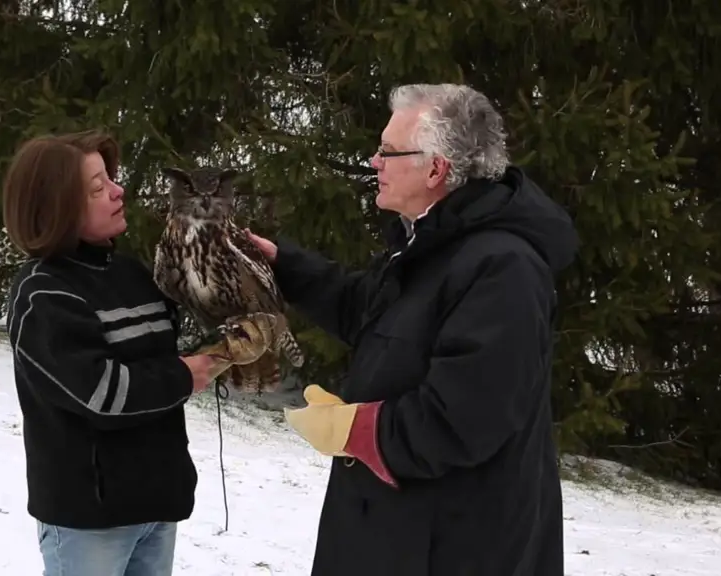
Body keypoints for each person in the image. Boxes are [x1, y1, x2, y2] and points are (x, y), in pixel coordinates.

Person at [245, 83, 579, 575]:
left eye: (387, 151)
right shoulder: (431, 243)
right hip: (392, 534)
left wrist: (358, 431)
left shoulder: (503, 269)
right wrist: (285, 266)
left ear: (436, 168)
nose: (374, 160)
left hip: (452, 548)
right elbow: (372, 314)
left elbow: (464, 419)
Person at [1, 130, 221, 576]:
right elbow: (101, 393)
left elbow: (162, 353)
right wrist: (187, 375)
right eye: (97, 188)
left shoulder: (132, 273)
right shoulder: (44, 294)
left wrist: (230, 347)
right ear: (58, 208)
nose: (118, 191)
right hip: (90, 521)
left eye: (111, 179)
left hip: (156, 505)